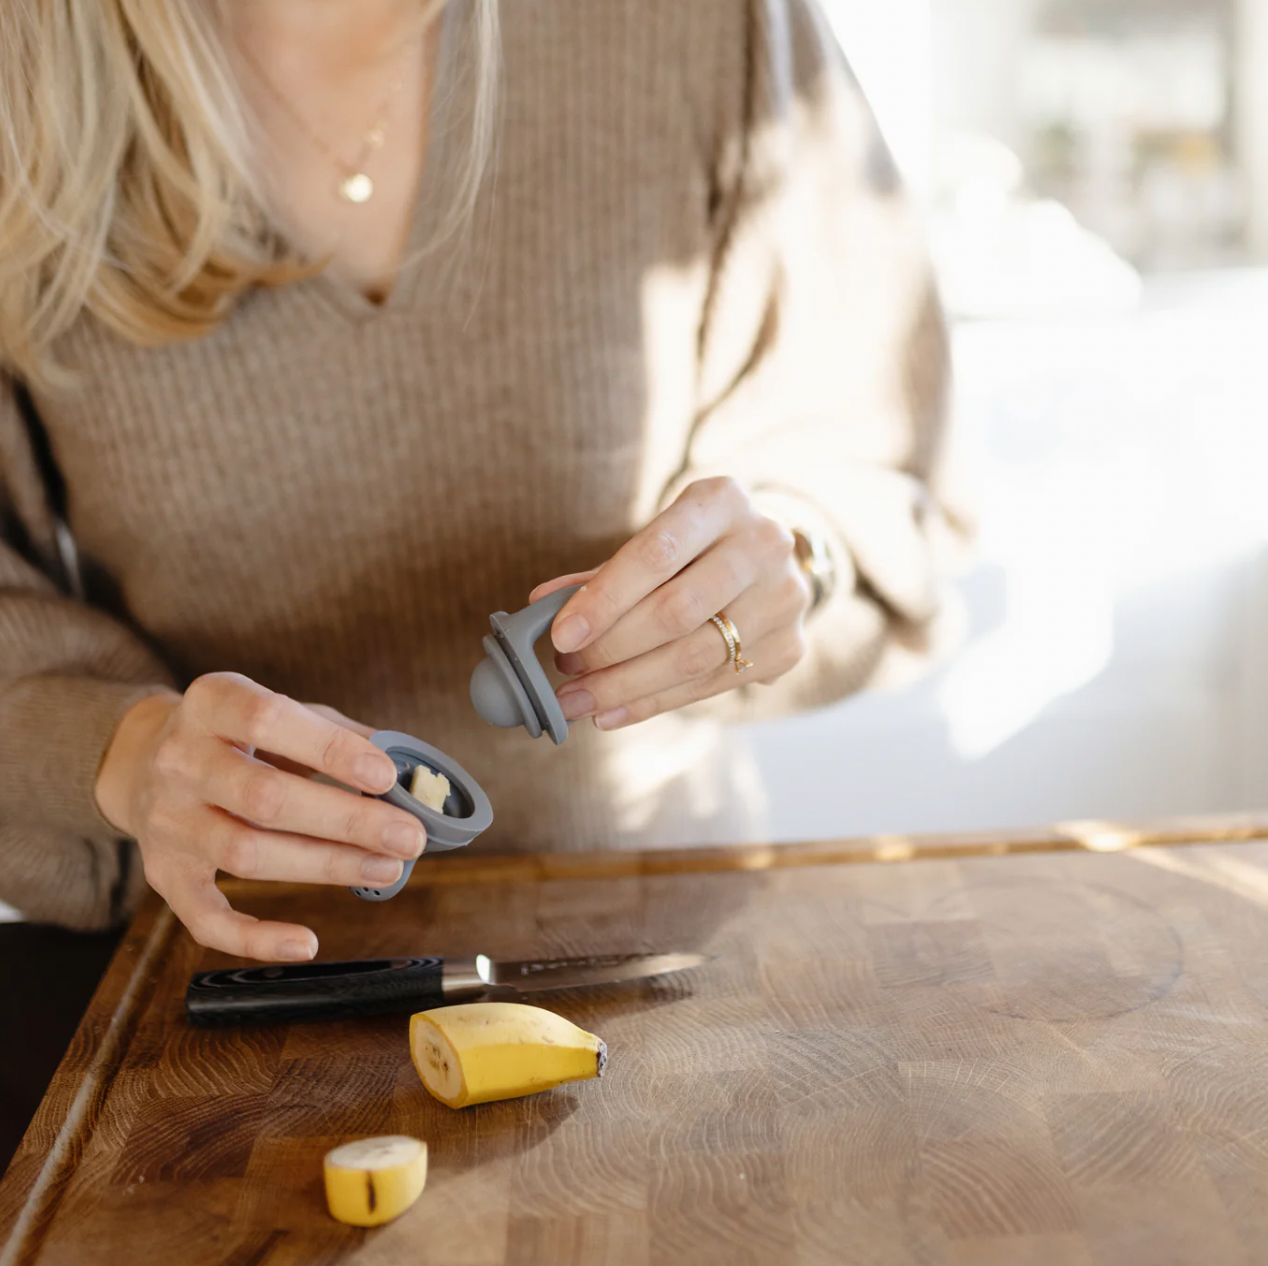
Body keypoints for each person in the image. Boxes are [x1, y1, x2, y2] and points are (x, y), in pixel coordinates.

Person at [0, 0, 964, 966]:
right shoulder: (24, 77)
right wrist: (123, 752)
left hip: (649, 958)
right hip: (234, 985)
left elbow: (869, 472)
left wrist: (787, 560)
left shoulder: (703, 26)